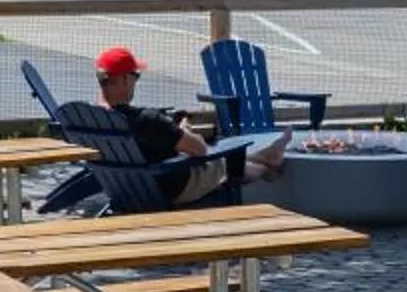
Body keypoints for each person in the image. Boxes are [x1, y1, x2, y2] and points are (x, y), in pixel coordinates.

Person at [93, 46, 286, 204]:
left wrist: (173, 133)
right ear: (126, 79)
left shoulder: (93, 119)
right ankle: (266, 169)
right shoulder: (147, 120)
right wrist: (184, 131)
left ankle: (264, 156)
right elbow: (200, 150)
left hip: (125, 189)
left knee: (216, 158)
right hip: (171, 187)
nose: (135, 82)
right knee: (222, 163)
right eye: (135, 77)